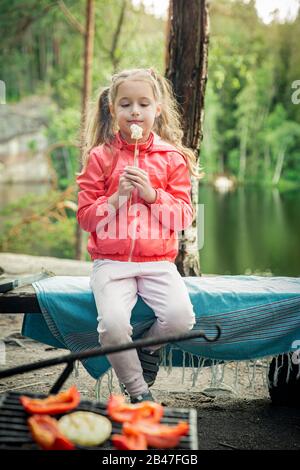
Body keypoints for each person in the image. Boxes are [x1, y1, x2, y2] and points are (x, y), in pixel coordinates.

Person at [76, 67, 202, 403]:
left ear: (157, 110)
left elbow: (183, 217)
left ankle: (149, 349)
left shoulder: (171, 159)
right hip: (111, 263)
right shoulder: (100, 158)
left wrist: (152, 195)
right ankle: (138, 392)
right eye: (126, 104)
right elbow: (87, 219)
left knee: (180, 319)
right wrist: (115, 199)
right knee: (113, 326)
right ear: (112, 109)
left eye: (144, 104)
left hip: (158, 262)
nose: (135, 112)